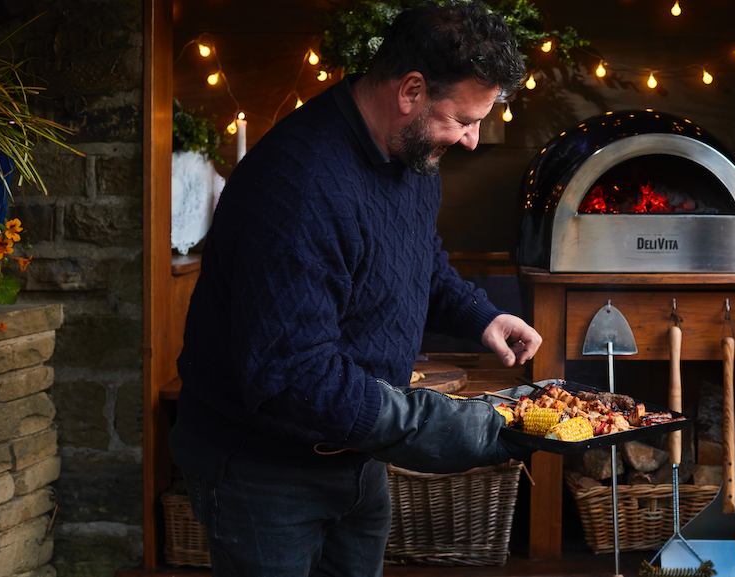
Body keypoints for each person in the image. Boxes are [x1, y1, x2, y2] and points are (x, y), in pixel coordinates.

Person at [169, 4, 540, 576]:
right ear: (411, 90)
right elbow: (296, 375)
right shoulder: (297, 186)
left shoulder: (414, 157)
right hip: (262, 471)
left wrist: (480, 316)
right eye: (464, 119)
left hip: (360, 455)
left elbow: (417, 255)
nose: (470, 140)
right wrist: (452, 429)